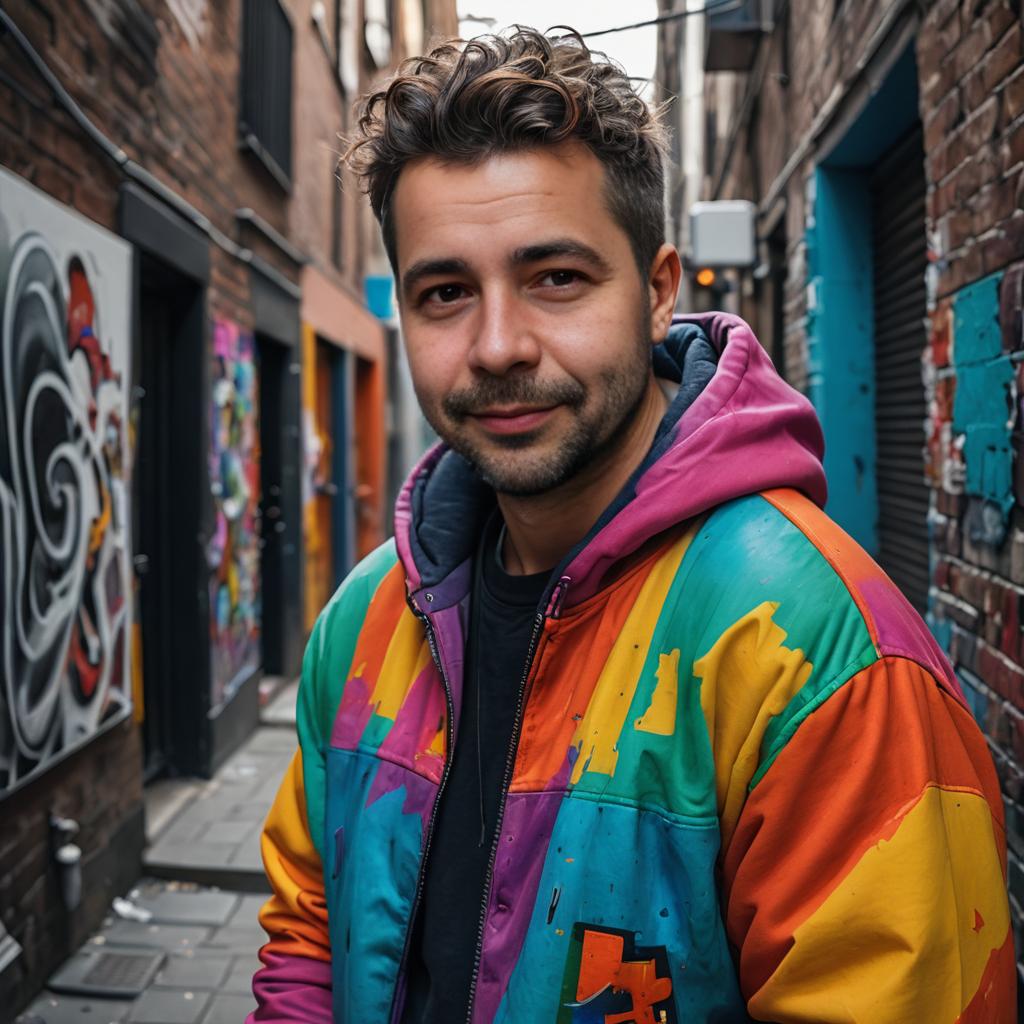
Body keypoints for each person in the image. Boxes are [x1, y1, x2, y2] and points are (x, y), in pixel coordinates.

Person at [247, 28, 1013, 1024]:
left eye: (555, 278)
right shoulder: (361, 623)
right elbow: (309, 931)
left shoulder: (825, 662)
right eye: (444, 293)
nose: (497, 346)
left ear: (656, 291)